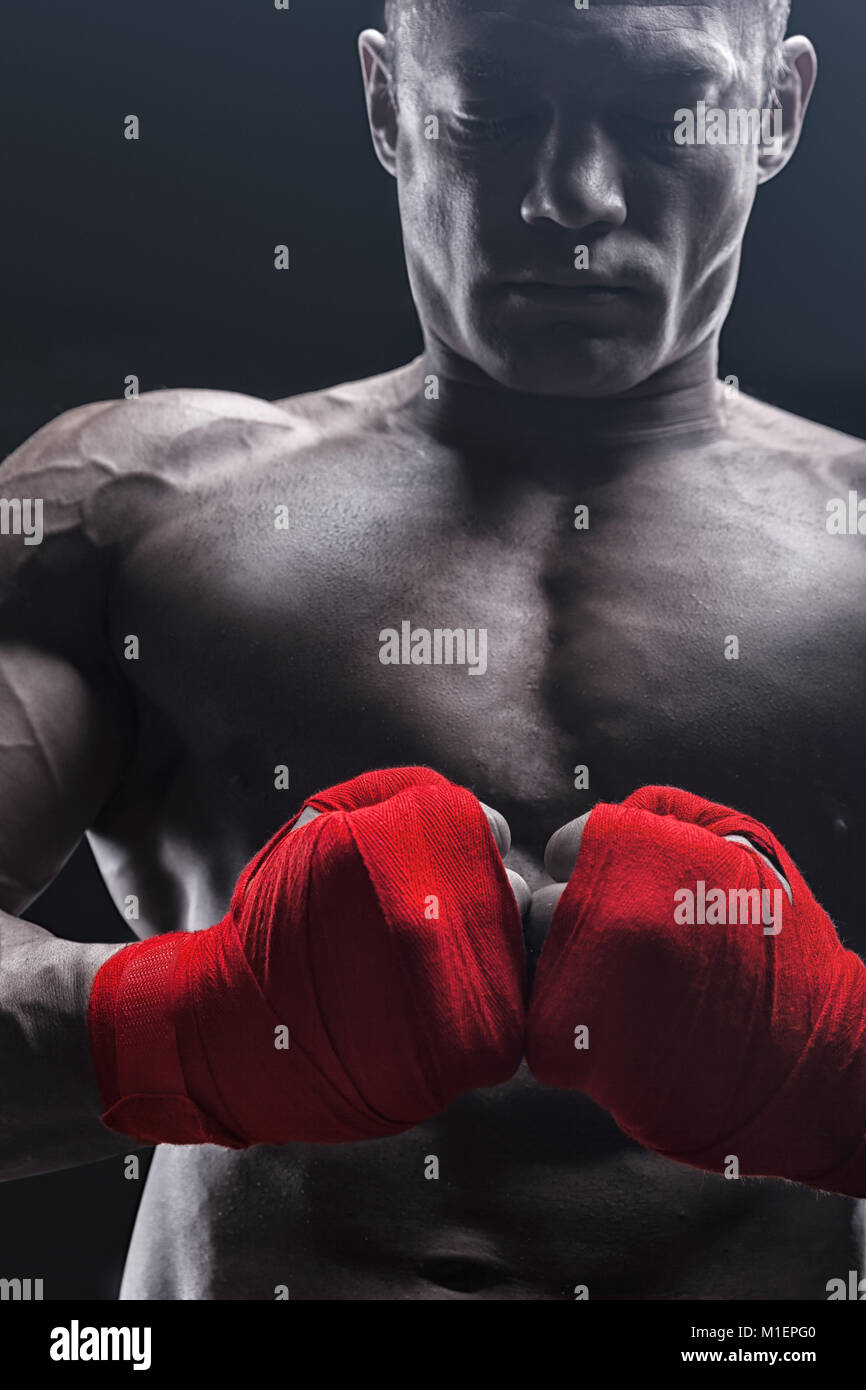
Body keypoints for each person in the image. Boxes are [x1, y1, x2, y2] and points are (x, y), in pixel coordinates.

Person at [1, 0, 865, 1300]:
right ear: (387, 102)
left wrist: (837, 1067)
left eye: (653, 115)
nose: (569, 196)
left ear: (779, 111)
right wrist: (198, 1026)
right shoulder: (130, 507)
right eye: (497, 110)